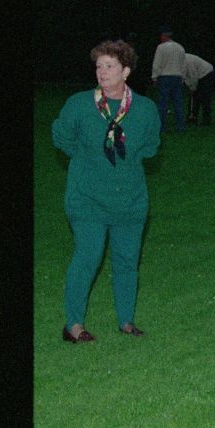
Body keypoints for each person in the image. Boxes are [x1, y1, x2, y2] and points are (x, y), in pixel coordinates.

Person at [52, 39, 161, 343]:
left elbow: (151, 147)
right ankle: (73, 325)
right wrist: (89, 158)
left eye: (109, 66)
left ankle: (126, 321)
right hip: (86, 198)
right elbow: (60, 136)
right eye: (98, 66)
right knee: (89, 254)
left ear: (125, 71)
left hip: (130, 200)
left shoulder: (145, 109)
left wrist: (125, 163)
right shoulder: (79, 104)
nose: (101, 71)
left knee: (127, 260)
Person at [151, 26, 187, 133]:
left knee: (162, 103)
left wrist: (154, 76)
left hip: (164, 77)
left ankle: (162, 127)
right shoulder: (180, 47)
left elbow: (157, 63)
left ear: (164, 36)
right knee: (178, 103)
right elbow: (183, 64)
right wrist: (183, 77)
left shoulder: (161, 47)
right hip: (177, 77)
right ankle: (180, 127)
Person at [182, 51, 215, 126]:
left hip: (206, 73)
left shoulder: (188, 60)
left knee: (204, 97)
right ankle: (192, 116)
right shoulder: (180, 61)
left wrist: (192, 88)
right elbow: (184, 75)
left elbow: (193, 75)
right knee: (194, 97)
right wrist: (189, 86)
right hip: (198, 75)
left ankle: (206, 119)